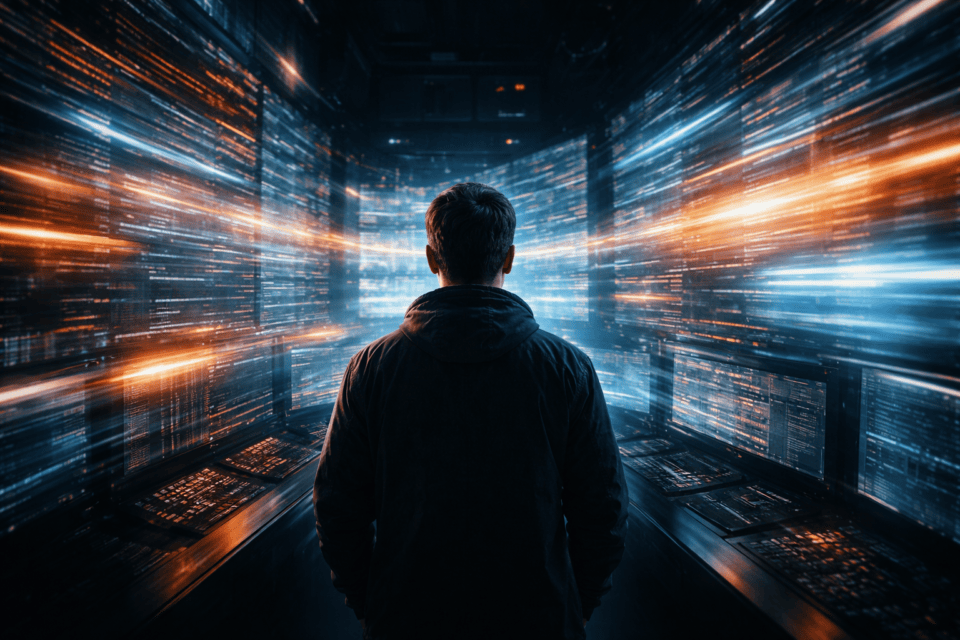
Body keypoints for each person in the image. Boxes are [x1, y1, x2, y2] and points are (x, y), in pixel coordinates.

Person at [313, 182, 628, 640]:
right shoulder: (568, 369)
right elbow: (603, 507)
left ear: (431, 258)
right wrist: (575, 604)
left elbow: (337, 506)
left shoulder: (371, 368)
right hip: (537, 618)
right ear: (509, 259)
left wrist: (370, 604)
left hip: (406, 618)